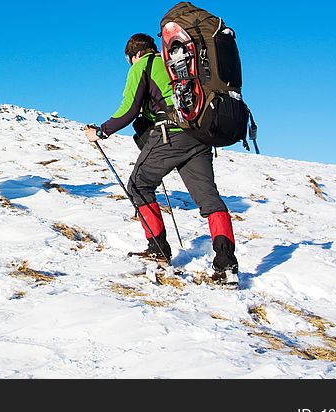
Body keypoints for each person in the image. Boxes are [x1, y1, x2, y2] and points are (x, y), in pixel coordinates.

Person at [84, 32, 239, 284]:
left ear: (132, 54)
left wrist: (101, 132)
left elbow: (128, 109)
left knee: (138, 185)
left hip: (172, 135)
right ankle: (226, 265)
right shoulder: (175, 65)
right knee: (210, 199)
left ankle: (158, 250)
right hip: (200, 135)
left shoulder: (142, 65)